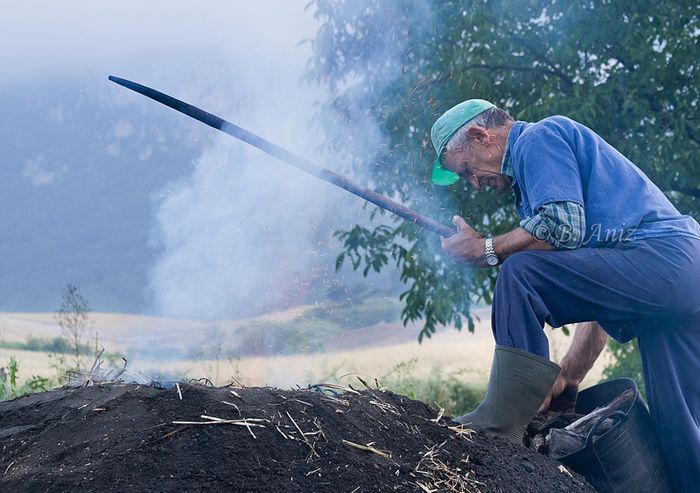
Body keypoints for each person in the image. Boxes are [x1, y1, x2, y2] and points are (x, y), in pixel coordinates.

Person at [430, 99, 700, 490]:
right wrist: (569, 380)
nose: (474, 183)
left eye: (467, 169)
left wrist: (486, 249)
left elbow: (560, 225)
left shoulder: (536, 139)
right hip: (683, 279)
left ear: (480, 136)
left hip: (666, 259)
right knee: (681, 427)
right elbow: (600, 297)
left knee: (519, 272)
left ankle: (506, 420)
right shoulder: (559, 180)